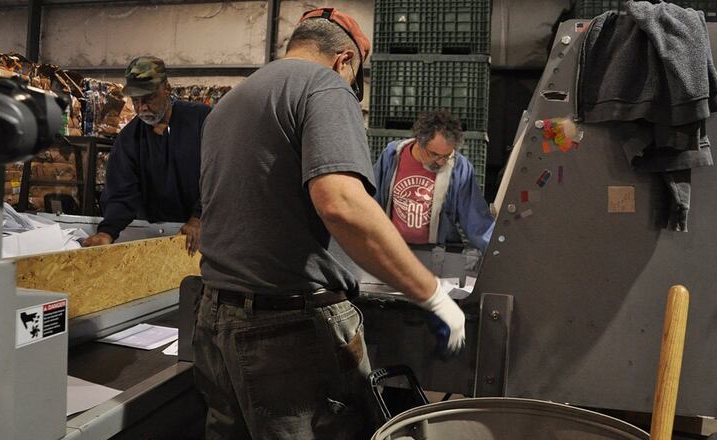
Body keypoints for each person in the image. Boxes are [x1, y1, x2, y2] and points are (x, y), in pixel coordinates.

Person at [195, 8, 467, 440]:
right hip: (287, 334)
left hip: (215, 318)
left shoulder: (229, 103)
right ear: (344, 61)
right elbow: (341, 204)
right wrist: (433, 294)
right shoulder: (323, 84)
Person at [82, 56, 209, 255]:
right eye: (136, 100)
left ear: (166, 89)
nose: (141, 108)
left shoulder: (202, 121)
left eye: (148, 98)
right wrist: (107, 232)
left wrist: (199, 217)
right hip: (161, 237)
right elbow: (121, 193)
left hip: (206, 235)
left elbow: (222, 175)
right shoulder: (128, 139)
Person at [373, 110, 495, 253]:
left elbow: (476, 219)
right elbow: (371, 199)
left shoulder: (459, 167)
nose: (441, 162)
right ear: (419, 141)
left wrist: (496, 252)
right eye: (435, 155)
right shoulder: (392, 155)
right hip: (393, 249)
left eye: (447, 155)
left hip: (437, 254)